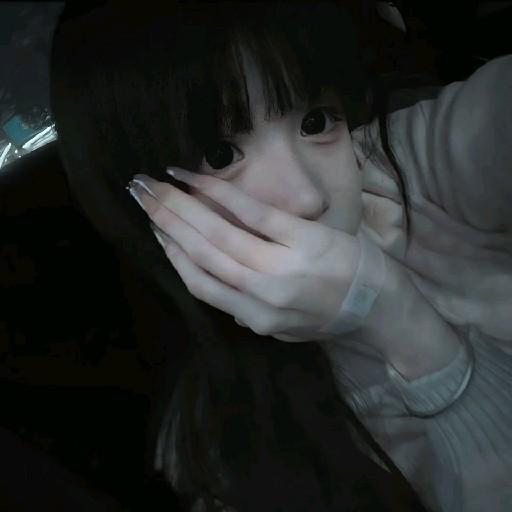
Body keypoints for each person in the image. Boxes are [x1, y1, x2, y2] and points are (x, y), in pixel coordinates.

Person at [49, 1, 512, 511]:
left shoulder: (411, 164)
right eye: (220, 156)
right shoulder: (218, 449)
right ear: (142, 206)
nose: (308, 198)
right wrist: (398, 323)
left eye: (316, 121)